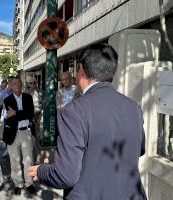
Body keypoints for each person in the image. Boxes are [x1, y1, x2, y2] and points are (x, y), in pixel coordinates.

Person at [28, 43, 147, 200]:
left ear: (81, 70)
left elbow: (66, 175)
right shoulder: (134, 108)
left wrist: (41, 171)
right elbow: (139, 149)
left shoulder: (73, 111)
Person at [3, 77, 36, 196]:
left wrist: (16, 112)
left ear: (22, 85)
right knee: (14, 160)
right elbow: (14, 116)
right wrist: (22, 113)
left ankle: (29, 183)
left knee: (29, 159)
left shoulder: (28, 97)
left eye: (18, 83)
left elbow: (30, 114)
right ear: (10, 87)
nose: (16, 85)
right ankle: (18, 184)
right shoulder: (7, 100)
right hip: (13, 133)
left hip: (26, 132)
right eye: (13, 83)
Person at [25, 77, 43, 162]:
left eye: (34, 83)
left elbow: (43, 103)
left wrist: (38, 110)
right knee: (28, 134)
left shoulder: (40, 92)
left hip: (37, 116)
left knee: (36, 134)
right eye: (30, 83)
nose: (32, 85)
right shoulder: (25, 92)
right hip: (28, 117)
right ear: (28, 84)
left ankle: (36, 155)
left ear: (36, 83)